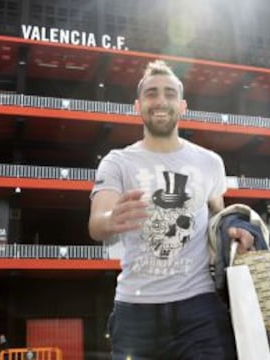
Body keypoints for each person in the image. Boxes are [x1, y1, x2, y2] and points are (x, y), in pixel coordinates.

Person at [88, 60, 254, 359]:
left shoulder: (210, 162)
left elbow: (220, 223)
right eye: (151, 93)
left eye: (169, 93)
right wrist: (111, 218)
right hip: (135, 310)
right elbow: (96, 223)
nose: (160, 100)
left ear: (183, 105)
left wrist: (238, 237)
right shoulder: (117, 161)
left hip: (199, 306)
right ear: (138, 105)